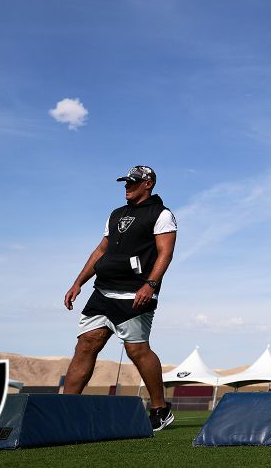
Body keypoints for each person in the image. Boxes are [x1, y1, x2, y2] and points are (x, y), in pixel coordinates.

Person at [62, 166, 176, 432]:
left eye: (133, 182)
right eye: (126, 182)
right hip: (102, 291)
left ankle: (160, 408)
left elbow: (165, 253)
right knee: (85, 345)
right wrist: (78, 282)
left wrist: (150, 284)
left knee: (136, 350)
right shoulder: (116, 214)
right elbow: (100, 250)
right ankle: (64, 408)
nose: (127, 186)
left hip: (134, 293)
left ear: (148, 184)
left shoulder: (161, 214)